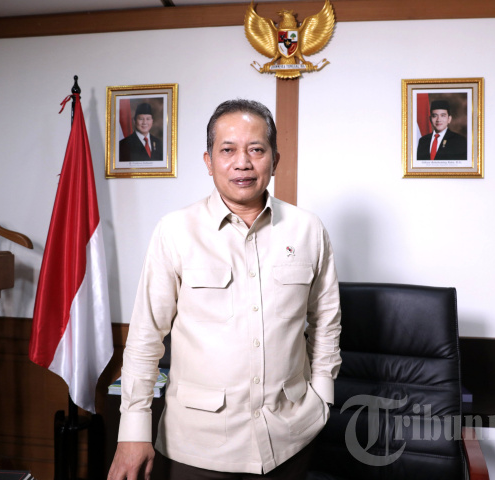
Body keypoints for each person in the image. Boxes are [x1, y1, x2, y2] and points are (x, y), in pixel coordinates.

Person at [107, 99, 342, 480]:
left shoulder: (308, 229)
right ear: (209, 160)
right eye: (228, 150)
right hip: (197, 448)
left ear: (275, 159)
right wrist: (133, 431)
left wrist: (323, 397)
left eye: (256, 150)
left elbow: (326, 321)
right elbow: (146, 336)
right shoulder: (175, 231)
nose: (242, 163)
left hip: (292, 437)